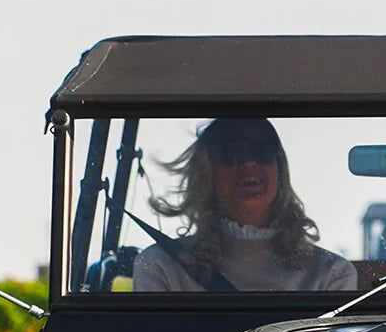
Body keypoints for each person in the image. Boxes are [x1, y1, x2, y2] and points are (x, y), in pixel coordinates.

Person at [133, 117, 356, 292]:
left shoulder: (330, 273)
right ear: (207, 173)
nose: (249, 164)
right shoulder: (160, 267)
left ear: (279, 170)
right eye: (231, 154)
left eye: (262, 152)